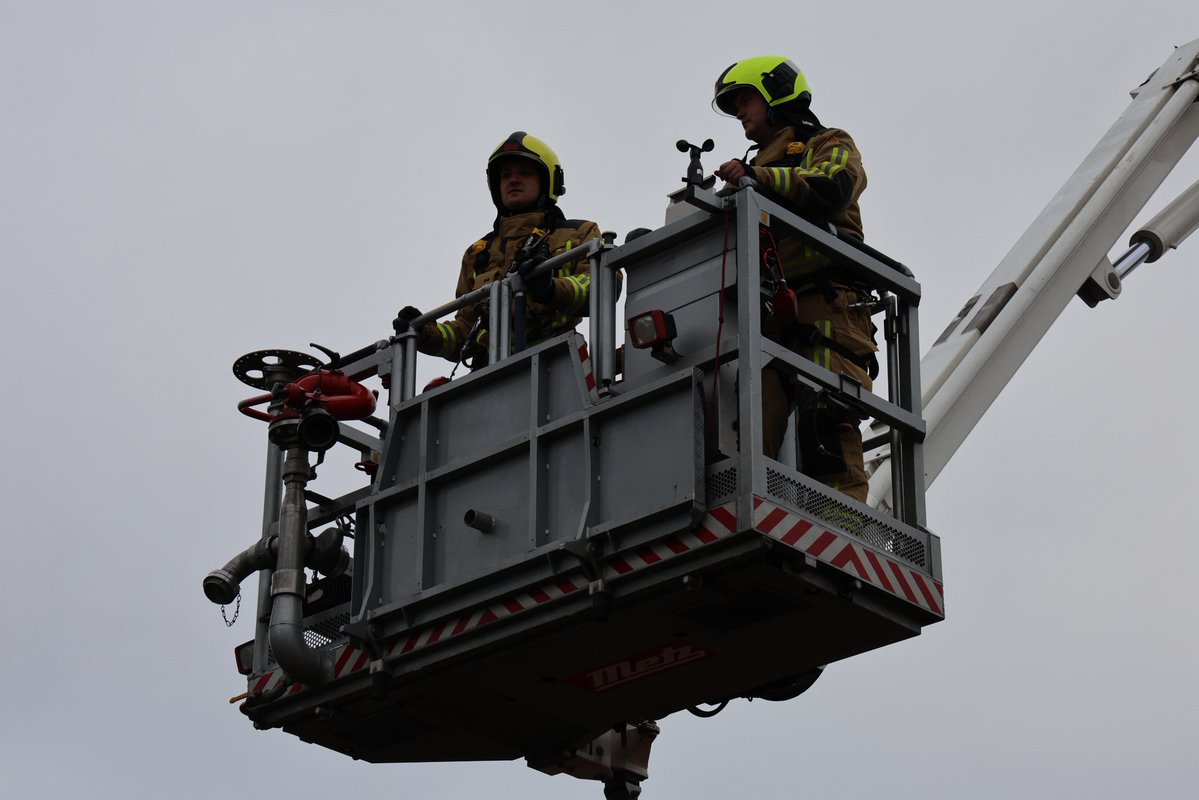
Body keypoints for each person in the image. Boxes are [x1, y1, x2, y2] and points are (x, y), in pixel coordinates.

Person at [712, 56, 878, 503]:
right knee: (745, 423)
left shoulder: (827, 143)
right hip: (764, 314)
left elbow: (832, 186)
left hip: (826, 305)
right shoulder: (749, 172)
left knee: (826, 421)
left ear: (777, 94)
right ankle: (749, 509)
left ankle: (846, 529)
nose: (741, 112)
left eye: (746, 100)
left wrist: (755, 178)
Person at [395, 132, 601, 366]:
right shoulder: (478, 254)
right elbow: (465, 332)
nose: (513, 180)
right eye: (505, 175)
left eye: (524, 172)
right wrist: (424, 334)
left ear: (548, 182)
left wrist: (551, 288)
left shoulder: (578, 233)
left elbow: (601, 286)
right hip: (490, 376)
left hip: (557, 361)